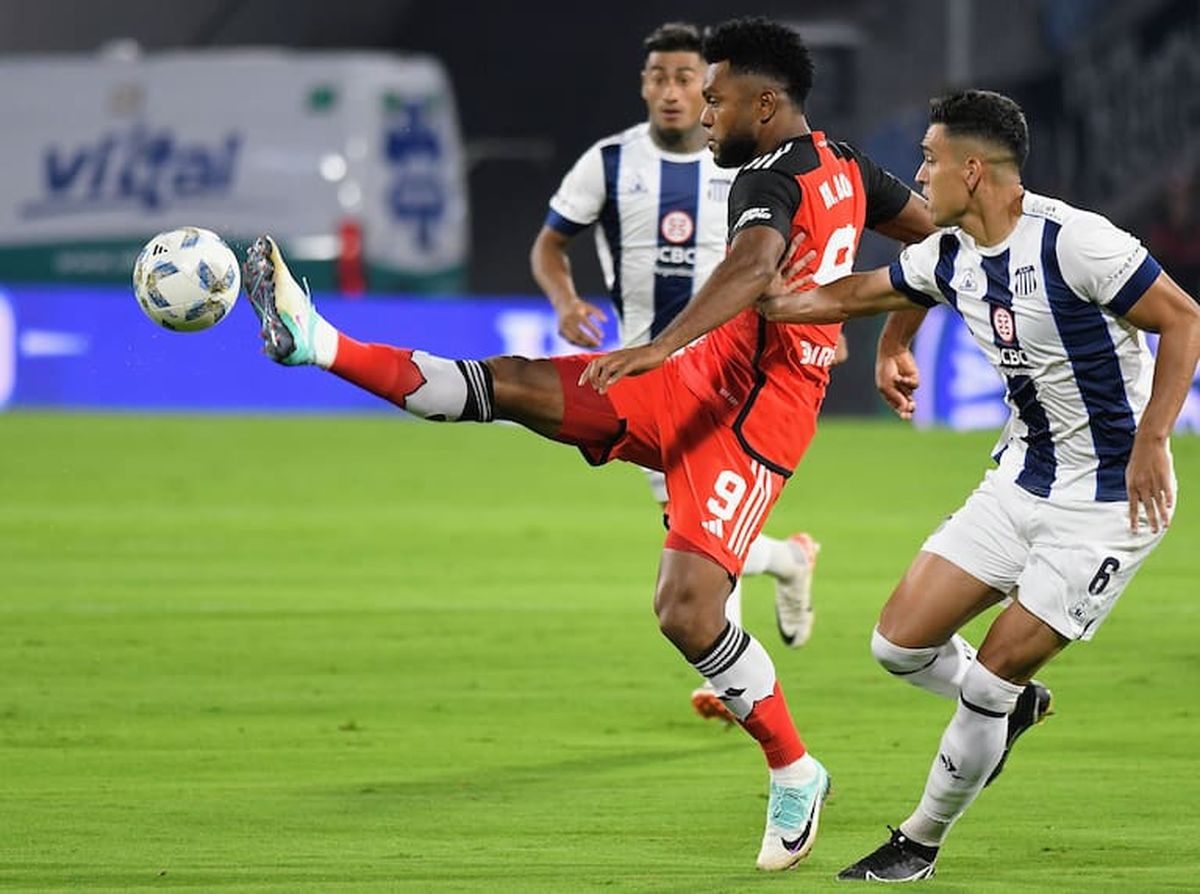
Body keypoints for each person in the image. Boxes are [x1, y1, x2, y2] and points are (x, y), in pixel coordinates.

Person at [242, 17, 933, 871]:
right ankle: (317, 342)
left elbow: (757, 268)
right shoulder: (846, 164)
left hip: (753, 417)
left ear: (765, 102)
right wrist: (896, 335)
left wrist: (661, 342)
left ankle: (796, 770)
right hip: (693, 374)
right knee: (515, 385)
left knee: (684, 610)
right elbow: (939, 239)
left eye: (716, 99)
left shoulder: (767, 184)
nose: (706, 114)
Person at [759, 88, 1200, 882]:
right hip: (1018, 481)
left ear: (973, 169)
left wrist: (1153, 440)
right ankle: (1012, 711)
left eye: (930, 160)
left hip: (1107, 506)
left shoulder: (1077, 243)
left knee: (988, 683)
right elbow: (874, 290)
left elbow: (1184, 319)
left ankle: (919, 841)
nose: (918, 174)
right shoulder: (952, 250)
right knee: (896, 645)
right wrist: (764, 302)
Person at [529, 22, 830, 723]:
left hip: (732, 372)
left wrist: (820, 318)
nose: (672, 91)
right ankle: (787, 561)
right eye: (659, 77)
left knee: (697, 526)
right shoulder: (607, 163)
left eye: (687, 78)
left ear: (712, 86)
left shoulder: (747, 164)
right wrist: (566, 299)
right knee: (696, 524)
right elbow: (550, 245)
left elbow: (793, 250)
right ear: (643, 85)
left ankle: (732, 672)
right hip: (642, 375)